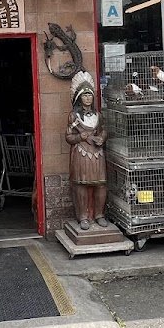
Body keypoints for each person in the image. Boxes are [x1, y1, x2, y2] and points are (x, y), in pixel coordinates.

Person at [66, 71, 109, 230]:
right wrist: (79, 138)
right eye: (84, 96)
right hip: (81, 154)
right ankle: (83, 216)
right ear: (79, 98)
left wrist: (102, 138)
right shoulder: (73, 117)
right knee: (81, 185)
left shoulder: (98, 115)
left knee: (101, 184)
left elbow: (103, 130)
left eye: (90, 95)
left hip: (97, 153)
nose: (88, 98)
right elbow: (68, 137)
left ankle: (99, 214)